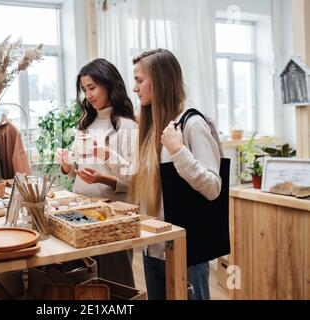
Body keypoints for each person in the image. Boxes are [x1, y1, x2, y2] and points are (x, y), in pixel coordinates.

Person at [96, 49, 229, 300]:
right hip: (153, 248)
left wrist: (178, 150)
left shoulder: (192, 124)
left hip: (186, 252)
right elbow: (140, 177)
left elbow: (213, 187)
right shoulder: (151, 127)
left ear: (161, 80)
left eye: (139, 80)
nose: (134, 88)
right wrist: (107, 156)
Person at [56, 58, 138, 287]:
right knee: (87, 280)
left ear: (109, 84)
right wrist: (67, 165)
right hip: (80, 212)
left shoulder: (127, 127)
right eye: (84, 90)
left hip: (113, 215)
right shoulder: (86, 124)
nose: (88, 95)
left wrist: (102, 178)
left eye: (92, 87)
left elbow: (135, 180)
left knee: (116, 281)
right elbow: (76, 172)